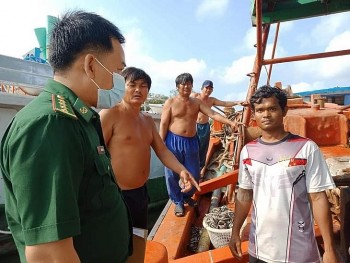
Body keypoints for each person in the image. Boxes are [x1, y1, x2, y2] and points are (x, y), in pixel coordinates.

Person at [0, 11, 132, 263]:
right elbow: (48, 253)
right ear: (91, 65)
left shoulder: (76, 118)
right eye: (118, 71)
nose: (120, 82)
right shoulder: (52, 124)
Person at [99, 67, 200, 262]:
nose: (138, 90)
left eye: (143, 86)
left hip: (140, 194)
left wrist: (182, 171)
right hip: (115, 196)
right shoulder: (110, 114)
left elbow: (162, 150)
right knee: (113, 246)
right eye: (133, 85)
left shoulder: (146, 120)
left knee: (138, 240)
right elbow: (96, 155)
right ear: (122, 87)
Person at [228, 85, 339, 263]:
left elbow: (318, 198)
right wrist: (235, 233)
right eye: (260, 110)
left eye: (272, 108)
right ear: (254, 115)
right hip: (258, 248)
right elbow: (244, 194)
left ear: (284, 111)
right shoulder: (248, 152)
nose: (266, 114)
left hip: (299, 251)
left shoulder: (306, 148)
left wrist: (330, 249)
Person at [159, 73, 239, 217]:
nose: (187, 86)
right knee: (172, 174)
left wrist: (231, 122)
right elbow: (164, 124)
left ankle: (186, 196)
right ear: (177, 86)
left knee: (194, 173)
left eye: (189, 83)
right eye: (184, 84)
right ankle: (177, 201)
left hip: (191, 142)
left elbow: (213, 114)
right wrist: (161, 145)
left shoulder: (196, 103)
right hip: (173, 141)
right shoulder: (170, 102)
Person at [191, 80, 248, 176]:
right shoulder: (195, 96)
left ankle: (199, 170)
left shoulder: (211, 100)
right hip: (195, 125)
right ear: (202, 88)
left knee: (203, 149)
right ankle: (190, 169)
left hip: (205, 127)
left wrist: (237, 102)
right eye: (206, 88)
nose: (208, 90)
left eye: (210, 88)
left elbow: (224, 103)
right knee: (193, 148)